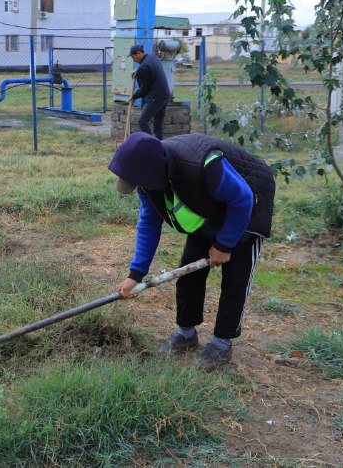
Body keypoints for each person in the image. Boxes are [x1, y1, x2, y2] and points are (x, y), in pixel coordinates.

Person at [109, 132, 275, 370]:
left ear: (154, 171)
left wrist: (225, 244)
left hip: (249, 205)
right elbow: (148, 223)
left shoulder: (203, 165)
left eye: (139, 182)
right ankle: (186, 333)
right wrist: (135, 274)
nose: (138, 187)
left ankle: (221, 343)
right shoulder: (149, 182)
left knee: (235, 281)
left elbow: (242, 199)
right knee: (188, 275)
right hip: (210, 208)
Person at [128, 43, 170, 139]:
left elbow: (144, 89)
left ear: (138, 53)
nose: (133, 59)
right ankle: (160, 147)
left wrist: (134, 96)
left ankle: (151, 144)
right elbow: (150, 69)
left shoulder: (143, 67)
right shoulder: (152, 57)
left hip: (156, 96)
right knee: (158, 125)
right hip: (164, 94)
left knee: (142, 121)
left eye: (133, 57)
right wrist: (138, 71)